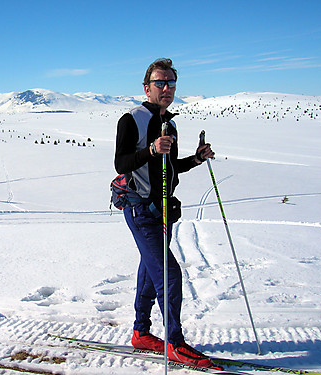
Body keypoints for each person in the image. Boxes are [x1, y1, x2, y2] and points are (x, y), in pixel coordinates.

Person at [114, 58, 220, 369]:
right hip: (140, 209)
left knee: (151, 271)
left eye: (171, 83)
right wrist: (150, 149)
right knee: (169, 274)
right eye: (160, 82)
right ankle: (174, 342)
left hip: (163, 210)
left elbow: (169, 167)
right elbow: (121, 163)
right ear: (146, 88)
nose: (167, 88)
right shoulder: (131, 119)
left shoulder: (169, 124)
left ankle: (141, 333)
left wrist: (195, 160)